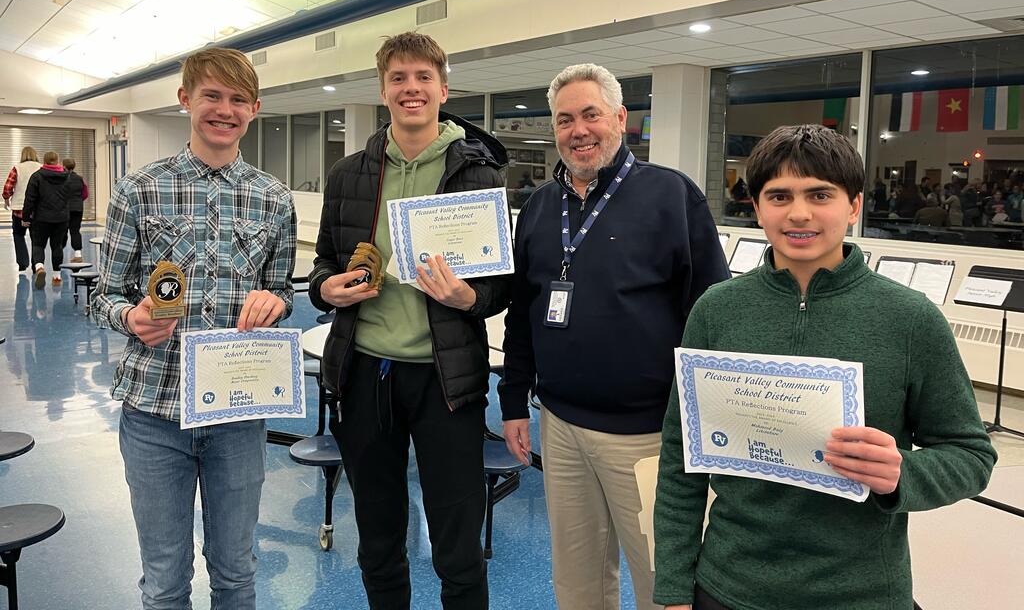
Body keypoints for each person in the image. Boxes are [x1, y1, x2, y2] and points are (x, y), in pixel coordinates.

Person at [653, 124, 996, 610]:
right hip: (728, 584)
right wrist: (673, 587)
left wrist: (903, 473)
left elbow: (971, 455)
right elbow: (680, 458)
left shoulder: (910, 319)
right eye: (779, 196)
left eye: (820, 195)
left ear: (853, 206)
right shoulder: (716, 310)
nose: (799, 213)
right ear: (757, 208)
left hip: (861, 594)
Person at [499, 63, 729, 610]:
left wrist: (705, 425)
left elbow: (712, 318)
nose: (578, 130)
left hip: (647, 435)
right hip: (560, 425)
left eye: (591, 115)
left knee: (663, 585)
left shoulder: (672, 196)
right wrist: (512, 401)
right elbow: (523, 312)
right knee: (576, 581)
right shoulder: (538, 207)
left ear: (621, 119)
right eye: (564, 120)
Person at [308, 32, 509, 610]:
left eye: (423, 77)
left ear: (443, 89)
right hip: (365, 372)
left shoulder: (480, 175)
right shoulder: (348, 173)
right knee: (377, 536)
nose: (411, 88)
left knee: (457, 542)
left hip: (447, 381)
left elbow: (500, 286)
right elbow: (324, 261)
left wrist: (468, 297)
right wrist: (326, 288)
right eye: (398, 78)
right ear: (384, 90)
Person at [92, 47, 296, 609]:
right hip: (154, 413)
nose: (224, 110)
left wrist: (274, 304)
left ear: (254, 109)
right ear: (185, 99)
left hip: (237, 415)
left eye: (237, 100)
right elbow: (105, 296)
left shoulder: (273, 198)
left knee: (236, 573)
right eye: (212, 95)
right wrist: (131, 317)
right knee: (164, 582)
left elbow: (281, 292)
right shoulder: (139, 189)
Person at [22, 151, 69, 288]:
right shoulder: (67, 176)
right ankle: (57, 277)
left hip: (41, 218)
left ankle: (39, 267)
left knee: (38, 244)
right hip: (61, 218)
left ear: (44, 161)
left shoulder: (37, 176)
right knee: (57, 246)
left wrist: (25, 217)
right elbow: (72, 196)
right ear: (57, 160)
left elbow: (29, 199)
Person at [2, 145, 42, 272]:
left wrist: (6, 198)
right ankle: (37, 265)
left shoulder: (17, 168)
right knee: (36, 238)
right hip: (37, 209)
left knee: (18, 235)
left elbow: (8, 186)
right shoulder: (41, 168)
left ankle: (22, 263)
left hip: (19, 209)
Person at [62, 157, 89, 262]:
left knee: (62, 231)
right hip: (78, 208)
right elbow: (85, 194)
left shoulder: (61, 178)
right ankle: (78, 255)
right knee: (75, 231)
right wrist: (78, 200)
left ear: (63, 166)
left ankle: (59, 252)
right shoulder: (80, 178)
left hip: (64, 208)